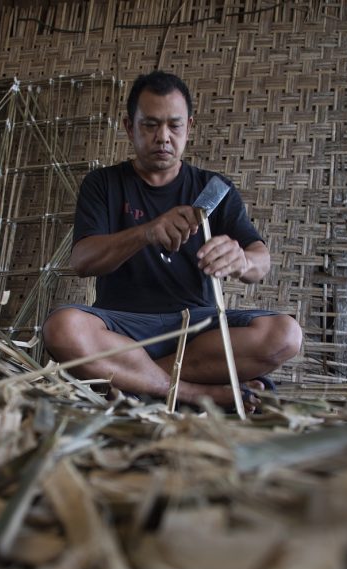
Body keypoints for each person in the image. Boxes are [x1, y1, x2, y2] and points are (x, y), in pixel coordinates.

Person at [42, 71, 302, 411]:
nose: (163, 137)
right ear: (128, 127)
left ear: (189, 127)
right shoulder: (103, 184)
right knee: (61, 328)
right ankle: (192, 393)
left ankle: (131, 381)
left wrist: (243, 260)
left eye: (174, 126)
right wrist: (146, 232)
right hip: (123, 330)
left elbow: (260, 261)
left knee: (285, 334)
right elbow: (82, 261)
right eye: (150, 125)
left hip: (198, 331)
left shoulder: (213, 189)